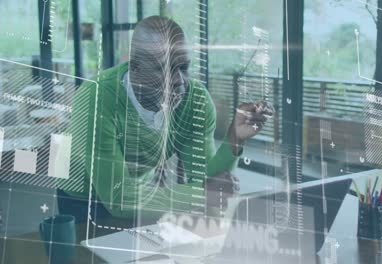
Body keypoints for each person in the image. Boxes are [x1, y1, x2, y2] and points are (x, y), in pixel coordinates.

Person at [58, 16, 273, 222]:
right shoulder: (95, 98)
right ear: (135, 69)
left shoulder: (195, 101)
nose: (180, 81)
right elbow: (119, 200)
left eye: (183, 68)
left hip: (137, 193)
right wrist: (200, 193)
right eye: (165, 69)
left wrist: (234, 139)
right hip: (82, 196)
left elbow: (207, 181)